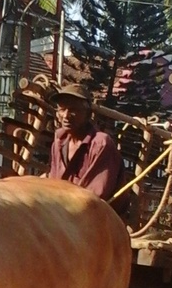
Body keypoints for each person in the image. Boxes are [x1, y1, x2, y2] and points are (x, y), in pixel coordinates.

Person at [47, 82, 128, 213]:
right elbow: (54, 183)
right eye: (62, 109)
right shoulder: (58, 142)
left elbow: (94, 197)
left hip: (96, 216)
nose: (66, 116)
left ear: (88, 114)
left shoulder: (101, 144)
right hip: (63, 213)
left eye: (73, 110)